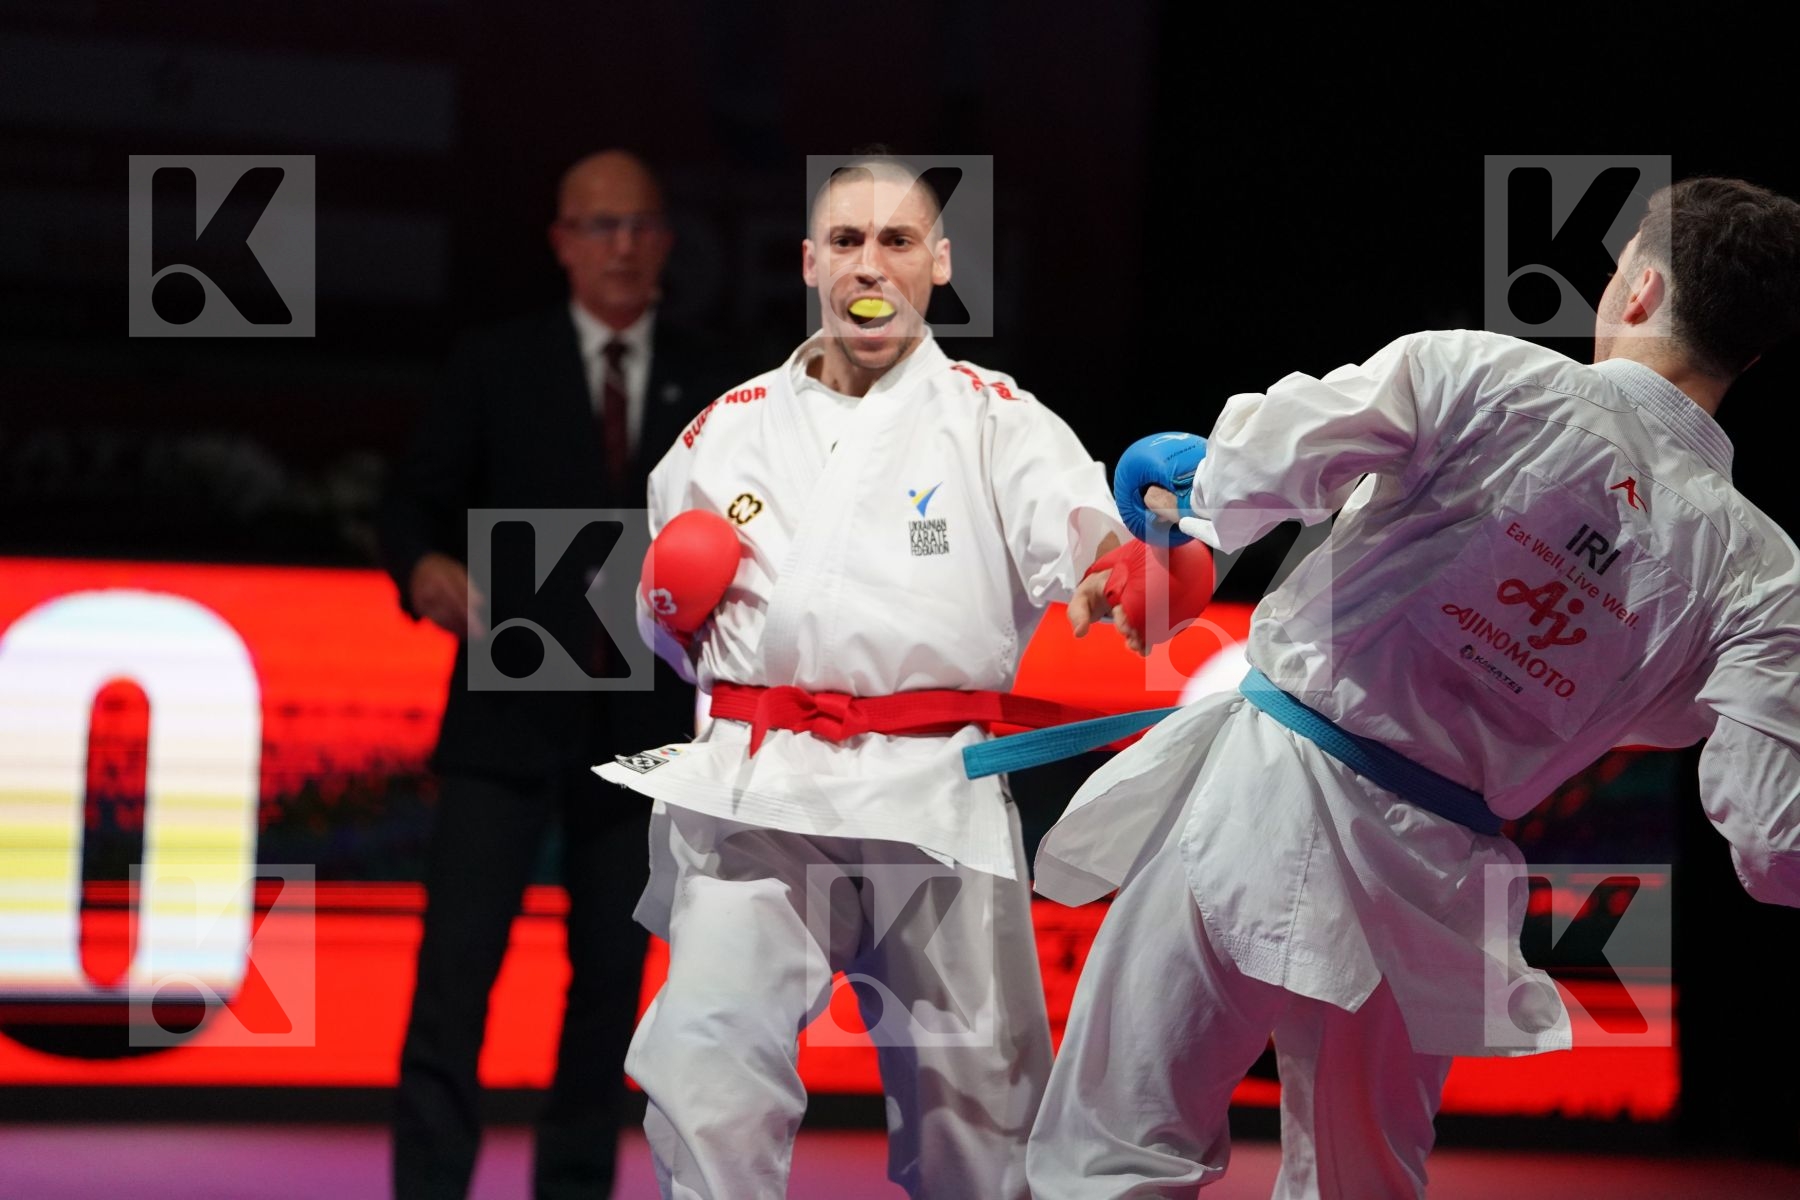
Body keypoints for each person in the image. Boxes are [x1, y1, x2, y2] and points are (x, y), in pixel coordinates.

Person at [1025, 176, 1800, 1197]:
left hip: (1269, 792)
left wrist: (1186, 478)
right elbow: (1772, 839)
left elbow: (1264, 466)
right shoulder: (1763, 571)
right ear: (1754, 346)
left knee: (1122, 1142)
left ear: (1643, 289)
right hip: (1436, 872)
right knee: (1366, 1183)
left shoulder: (1482, 373)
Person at [596, 155, 1128, 1199]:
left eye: (896, 241)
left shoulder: (995, 417)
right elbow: (668, 635)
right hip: (760, 785)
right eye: (846, 241)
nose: (869, 262)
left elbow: (1083, 545)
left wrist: (1120, 575)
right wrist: (665, 613)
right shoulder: (725, 428)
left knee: (978, 1115)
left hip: (932, 790)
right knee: (706, 1071)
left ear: (937, 263)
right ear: (809, 264)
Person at [378, 149, 743, 1200]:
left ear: (669, 242)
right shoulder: (495, 362)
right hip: (502, 725)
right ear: (560, 242)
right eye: (598, 226)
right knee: (454, 978)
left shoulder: (720, 385)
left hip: (642, 734)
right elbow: (411, 502)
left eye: (638, 225)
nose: (620, 246)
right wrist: (424, 566)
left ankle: (575, 1187)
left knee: (609, 991)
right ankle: (428, 1185)